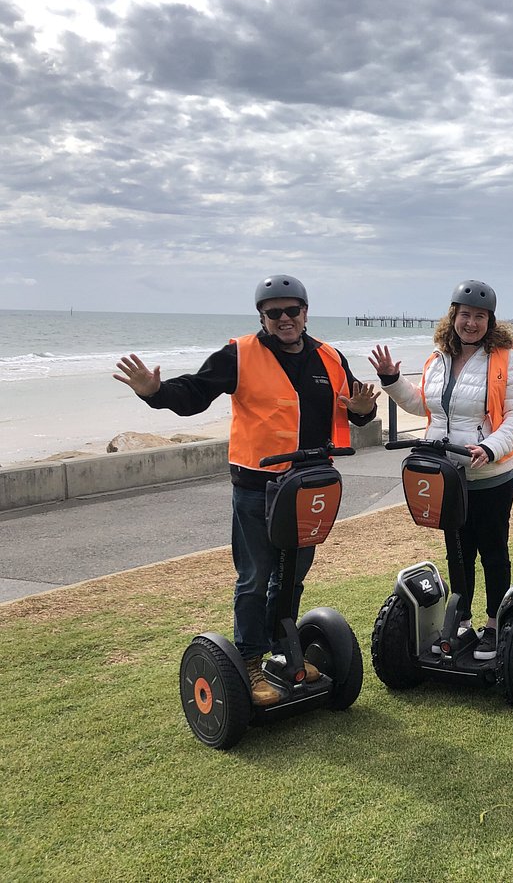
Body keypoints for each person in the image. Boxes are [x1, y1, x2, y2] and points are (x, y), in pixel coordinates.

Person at [113, 274, 380, 706]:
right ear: (262, 317)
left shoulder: (330, 357)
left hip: (310, 483)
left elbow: (356, 409)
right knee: (256, 578)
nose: (284, 319)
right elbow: (195, 394)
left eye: (292, 310)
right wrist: (155, 392)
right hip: (258, 487)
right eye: (274, 313)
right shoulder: (239, 354)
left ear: (305, 313)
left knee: (291, 576)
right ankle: (252, 661)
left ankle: (285, 648)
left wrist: (366, 409)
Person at [370, 280, 513, 660]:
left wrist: (491, 448)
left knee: (492, 550)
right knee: (458, 551)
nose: (471, 323)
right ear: (453, 317)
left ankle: (494, 624)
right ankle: (461, 621)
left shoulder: (507, 359)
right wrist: (392, 381)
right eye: (465, 315)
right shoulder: (438, 358)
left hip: (490, 475)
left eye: (479, 317)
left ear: (490, 321)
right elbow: (423, 405)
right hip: (446, 475)